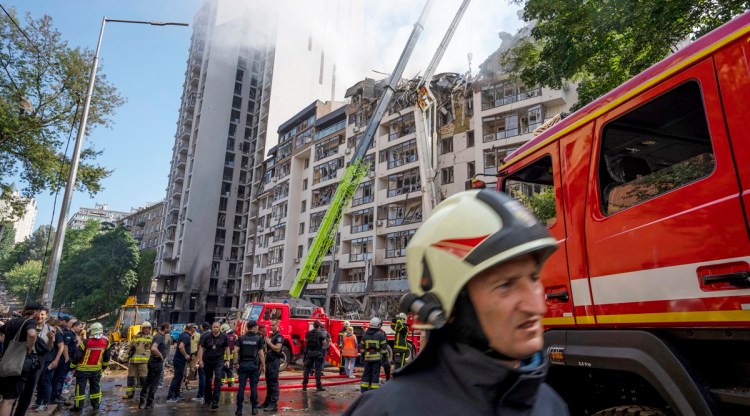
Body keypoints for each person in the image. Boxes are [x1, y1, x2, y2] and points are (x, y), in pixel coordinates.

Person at [343, 190, 569, 415]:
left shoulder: (550, 405)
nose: (537, 306)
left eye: (534, 279)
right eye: (505, 285)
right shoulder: (387, 410)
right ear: (448, 307)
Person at [0, 302, 42, 416]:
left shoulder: (11, 322)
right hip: (19, 363)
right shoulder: (30, 322)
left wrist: (6, 344)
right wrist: (29, 347)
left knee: (6, 396)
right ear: (35, 312)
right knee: (9, 399)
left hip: (6, 362)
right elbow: (32, 334)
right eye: (39, 312)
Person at [16, 306, 53, 416]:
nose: (40, 317)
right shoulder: (27, 325)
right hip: (22, 357)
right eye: (39, 314)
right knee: (16, 389)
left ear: (46, 316)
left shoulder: (50, 330)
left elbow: (49, 348)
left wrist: (51, 339)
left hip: (38, 361)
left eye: (43, 315)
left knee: (29, 390)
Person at [70, 322, 111, 413]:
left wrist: (72, 366)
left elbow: (77, 356)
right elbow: (107, 357)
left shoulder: (85, 342)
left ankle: (78, 407)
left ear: (91, 331)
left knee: (80, 389)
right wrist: (104, 367)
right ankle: (96, 406)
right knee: (95, 388)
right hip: (96, 370)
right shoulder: (106, 342)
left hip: (82, 370)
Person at [196, 321, 230, 410]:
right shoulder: (207, 336)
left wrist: (228, 360)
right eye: (214, 327)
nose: (215, 329)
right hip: (208, 360)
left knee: (218, 379)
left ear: (219, 328)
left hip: (219, 360)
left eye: (217, 327)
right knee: (208, 380)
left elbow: (227, 348)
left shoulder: (224, 337)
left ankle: (215, 401)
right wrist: (200, 360)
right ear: (212, 328)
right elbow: (201, 348)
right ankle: (208, 400)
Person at [234, 320, 265, 416]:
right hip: (253, 366)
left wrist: (235, 363)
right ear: (254, 327)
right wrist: (263, 365)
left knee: (241, 387)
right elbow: (261, 353)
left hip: (243, 365)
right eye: (256, 326)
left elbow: (235, 351)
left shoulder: (241, 338)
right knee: (253, 387)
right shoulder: (258, 338)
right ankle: (254, 408)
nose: (257, 328)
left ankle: (239, 409)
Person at [33, 317, 65, 411]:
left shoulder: (57, 334)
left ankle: (45, 403)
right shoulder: (43, 333)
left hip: (50, 360)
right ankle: (38, 401)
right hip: (43, 359)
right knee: (40, 382)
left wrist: (56, 360)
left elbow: (61, 348)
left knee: (46, 382)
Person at [139, 323, 170, 409]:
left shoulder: (158, 336)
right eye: (169, 328)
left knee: (148, 382)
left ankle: (142, 402)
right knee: (154, 383)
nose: (170, 330)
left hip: (153, 362)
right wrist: (160, 356)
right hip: (156, 362)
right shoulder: (160, 336)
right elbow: (153, 348)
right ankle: (149, 403)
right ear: (166, 328)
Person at [123, 321, 152, 399]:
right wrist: (126, 358)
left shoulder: (151, 338)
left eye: (147, 328)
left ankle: (144, 394)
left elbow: (153, 350)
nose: (146, 330)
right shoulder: (135, 337)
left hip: (144, 362)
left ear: (150, 329)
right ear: (141, 328)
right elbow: (130, 348)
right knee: (131, 378)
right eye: (144, 328)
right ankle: (129, 393)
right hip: (133, 361)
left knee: (143, 379)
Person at [260, 319, 283, 412]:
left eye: (273, 325)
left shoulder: (279, 337)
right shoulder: (272, 336)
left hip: (274, 361)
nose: (271, 327)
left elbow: (277, 349)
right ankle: (267, 402)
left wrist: (268, 342)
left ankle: (273, 404)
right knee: (269, 383)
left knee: (273, 383)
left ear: (277, 325)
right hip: (269, 361)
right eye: (271, 325)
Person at [167, 323, 193, 402]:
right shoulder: (186, 336)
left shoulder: (182, 334)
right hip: (180, 360)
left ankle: (176, 394)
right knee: (177, 377)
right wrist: (186, 355)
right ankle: (170, 396)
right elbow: (181, 346)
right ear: (191, 329)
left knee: (179, 377)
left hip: (179, 360)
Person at [359, 317, 386, 393]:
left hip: (367, 358)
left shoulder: (365, 334)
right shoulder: (380, 335)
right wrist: (384, 358)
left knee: (366, 373)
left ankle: (364, 390)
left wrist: (362, 356)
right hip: (376, 358)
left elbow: (362, 347)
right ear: (377, 325)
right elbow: (384, 348)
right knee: (375, 374)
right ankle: (374, 390)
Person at [301, 320, 326, 392]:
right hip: (317, 353)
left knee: (307, 370)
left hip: (309, 353)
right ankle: (318, 386)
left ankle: (304, 387)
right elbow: (324, 344)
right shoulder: (320, 334)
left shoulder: (308, 333)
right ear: (318, 326)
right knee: (318, 370)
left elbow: (305, 340)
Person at [191, 322, 210, 403]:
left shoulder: (203, 336)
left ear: (204, 327)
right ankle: (208, 395)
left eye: (201, 326)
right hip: (211, 360)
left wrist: (197, 362)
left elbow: (200, 349)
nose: (200, 327)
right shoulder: (212, 334)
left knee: (202, 377)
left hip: (203, 359)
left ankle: (200, 395)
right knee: (208, 378)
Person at [185, 323, 199, 392]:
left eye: (194, 327)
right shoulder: (186, 335)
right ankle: (185, 384)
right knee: (183, 371)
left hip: (193, 355)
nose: (193, 329)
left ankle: (187, 380)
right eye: (192, 327)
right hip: (185, 355)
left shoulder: (198, 335)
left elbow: (199, 346)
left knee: (193, 370)